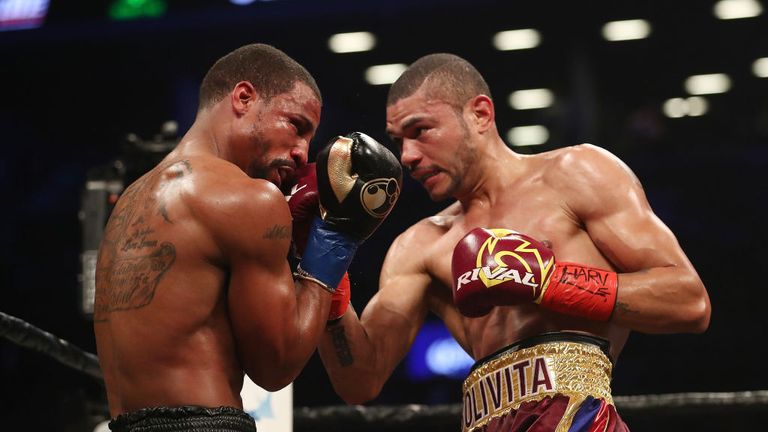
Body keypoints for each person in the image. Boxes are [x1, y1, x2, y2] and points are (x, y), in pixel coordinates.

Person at [318, 53, 711, 431]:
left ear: (480, 114)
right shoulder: (419, 245)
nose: (407, 156)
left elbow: (689, 302)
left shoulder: (578, 174)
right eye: (398, 140)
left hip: (581, 420)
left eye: (420, 131)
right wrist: (327, 263)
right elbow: (360, 381)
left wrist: (548, 282)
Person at [93, 43, 402, 432]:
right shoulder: (249, 199)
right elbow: (277, 365)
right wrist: (334, 242)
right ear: (243, 97)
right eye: (296, 125)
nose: (302, 154)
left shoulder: (130, 202)